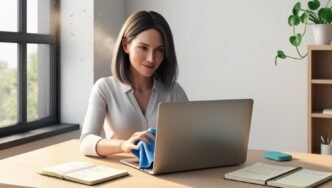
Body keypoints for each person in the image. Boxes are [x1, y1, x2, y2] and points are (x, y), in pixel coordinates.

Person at [80, 11, 188, 157]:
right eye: (143, 48)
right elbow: (86, 142)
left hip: (165, 176)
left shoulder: (174, 91)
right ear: (125, 45)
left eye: (159, 50)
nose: (151, 58)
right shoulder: (105, 88)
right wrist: (123, 145)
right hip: (121, 175)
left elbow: (188, 140)